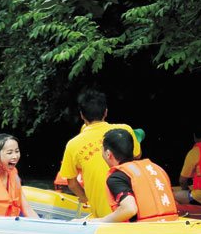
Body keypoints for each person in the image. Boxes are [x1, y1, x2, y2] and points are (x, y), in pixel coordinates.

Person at [58, 89, 141, 218]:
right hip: (136, 209)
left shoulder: (73, 144)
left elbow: (72, 183)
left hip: (104, 216)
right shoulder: (124, 130)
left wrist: (85, 198)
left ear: (82, 115)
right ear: (106, 112)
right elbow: (137, 155)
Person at [87, 129, 177, 223]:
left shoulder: (117, 177)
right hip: (172, 225)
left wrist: (100, 221)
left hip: (146, 231)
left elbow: (129, 209)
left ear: (108, 154)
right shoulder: (156, 168)